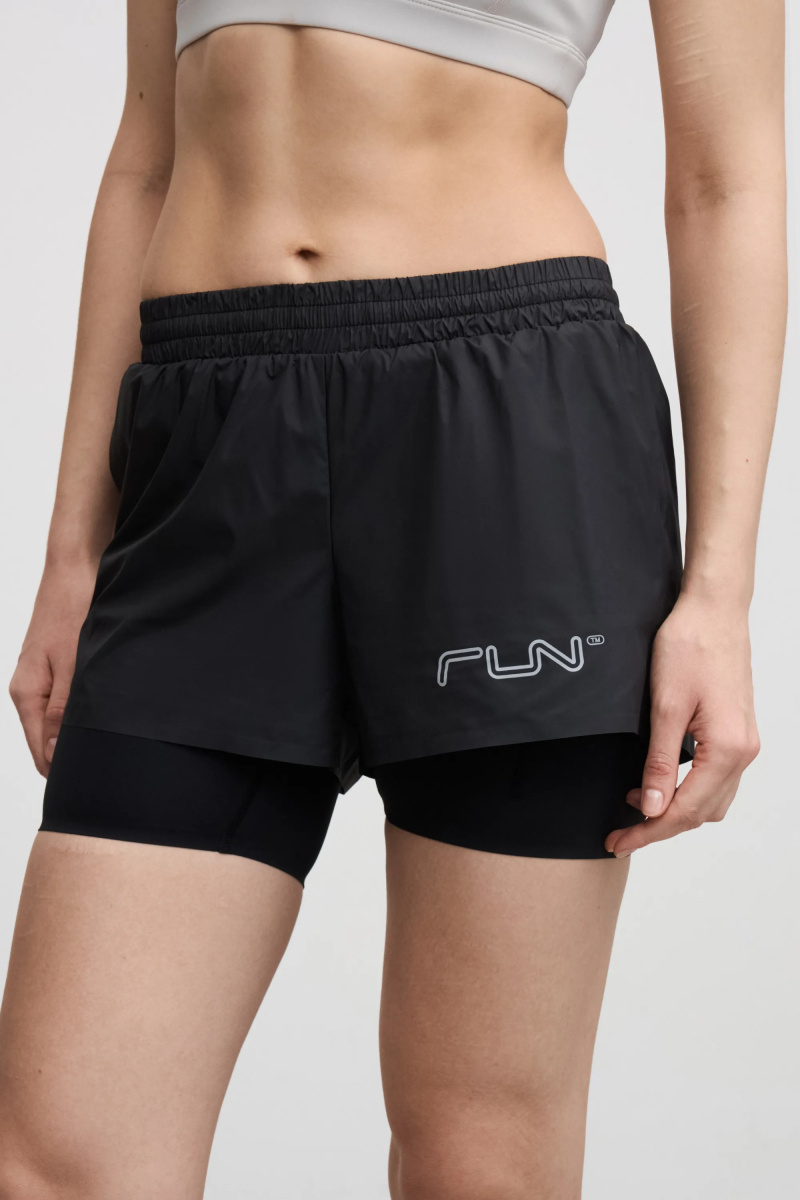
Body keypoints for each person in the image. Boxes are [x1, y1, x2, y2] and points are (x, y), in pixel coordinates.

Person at [0, 2, 787, 1196]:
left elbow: (726, 180)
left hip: (503, 427)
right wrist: (74, 552)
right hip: (207, 448)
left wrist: (718, 595)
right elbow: (146, 161)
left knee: (480, 1160)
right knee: (61, 1161)